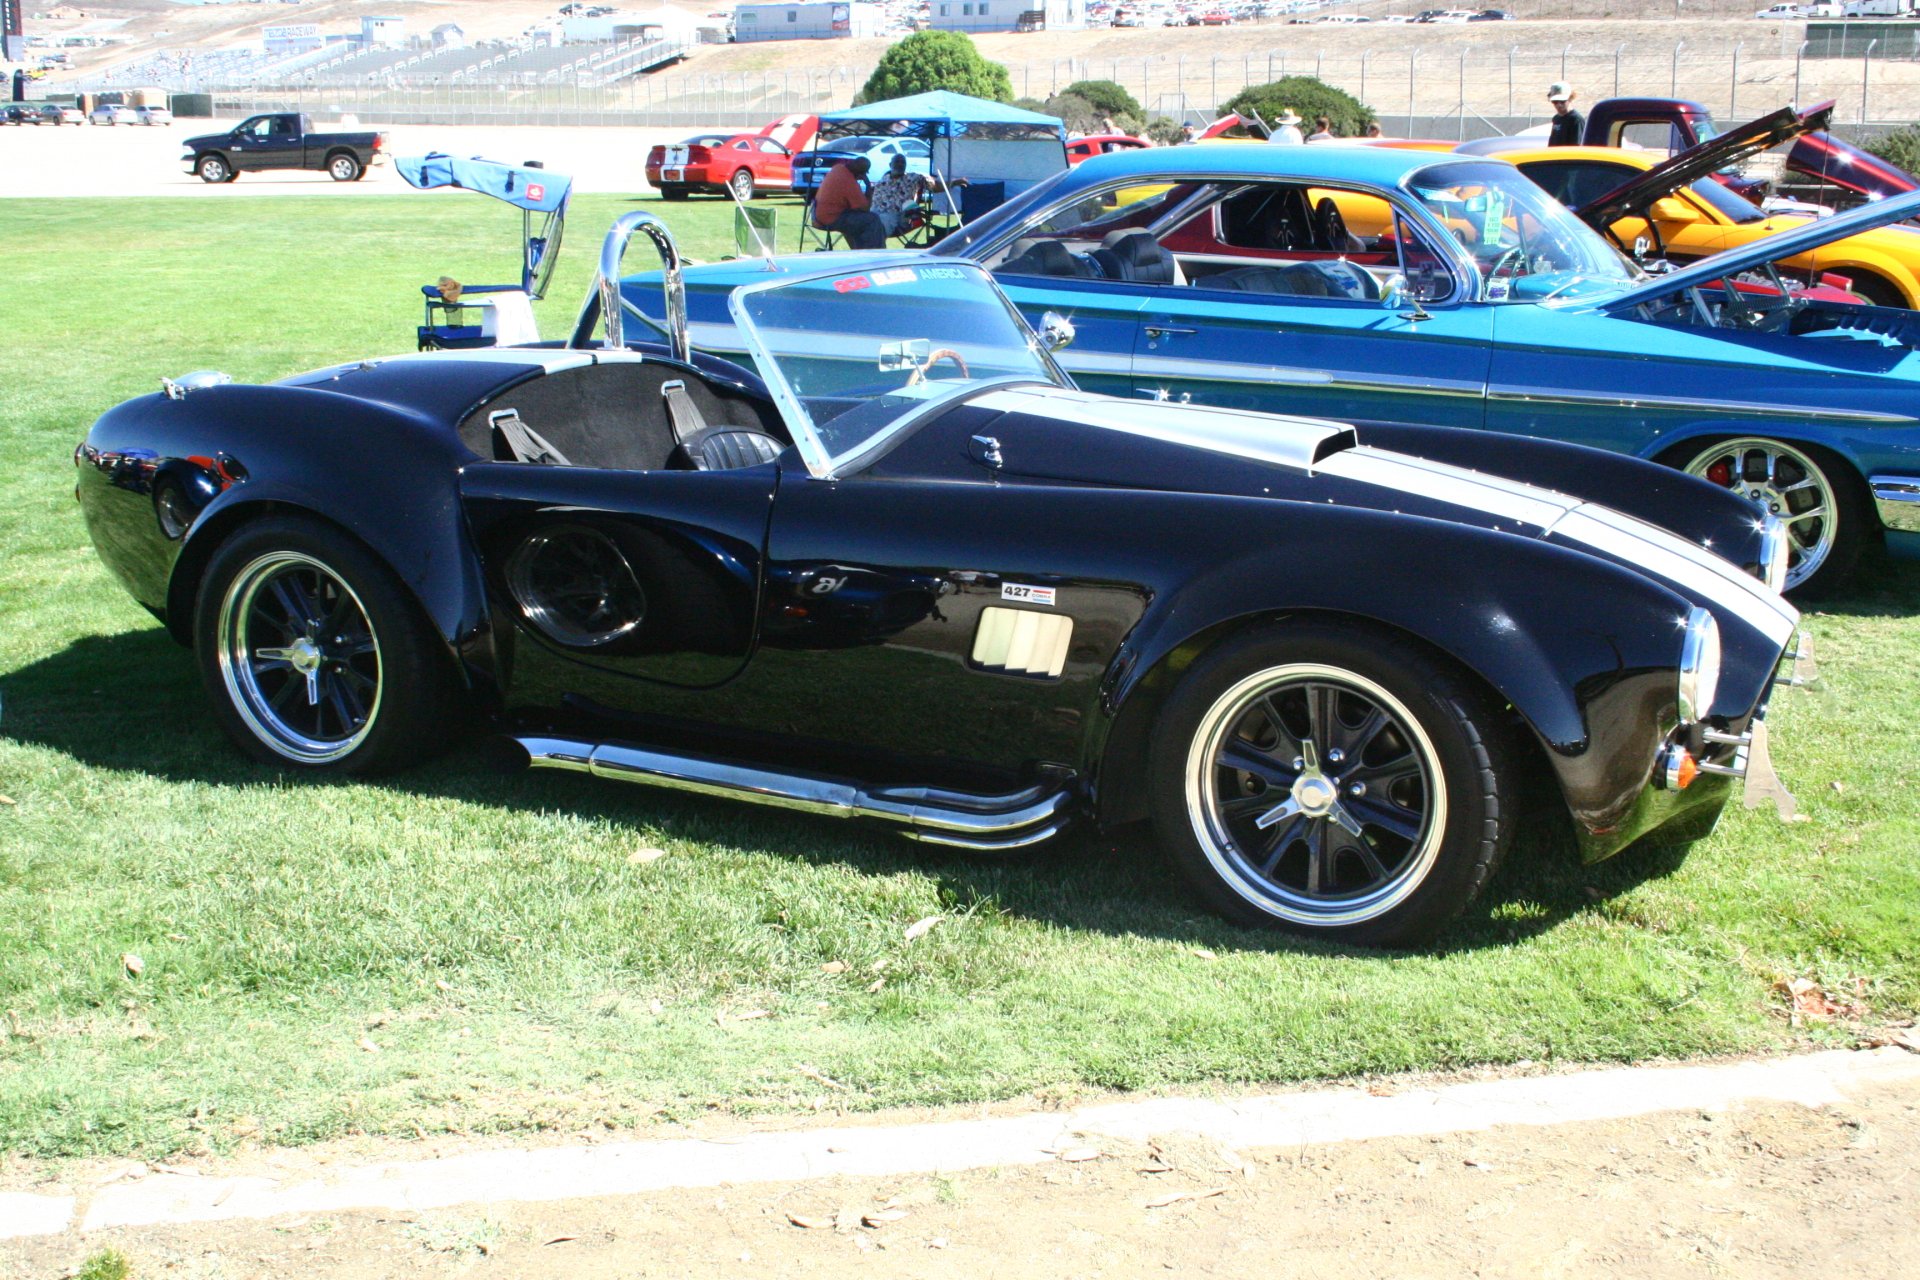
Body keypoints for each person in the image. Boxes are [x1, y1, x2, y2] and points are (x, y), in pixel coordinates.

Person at [869, 153, 966, 238]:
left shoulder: (914, 178)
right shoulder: (882, 180)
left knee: (880, 223)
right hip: (874, 212)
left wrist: (955, 182)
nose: (900, 164)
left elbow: (936, 187)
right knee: (863, 221)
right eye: (897, 161)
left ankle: (875, 248)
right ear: (890, 164)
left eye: (903, 162)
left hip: (897, 215)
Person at [812, 156, 885, 250]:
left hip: (818, 214)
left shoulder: (837, 168)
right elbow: (865, 208)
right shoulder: (849, 181)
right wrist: (868, 187)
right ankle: (876, 252)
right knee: (873, 219)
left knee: (856, 221)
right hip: (830, 219)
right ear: (861, 174)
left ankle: (858, 249)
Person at [1547, 82, 1584, 147]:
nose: (1559, 105)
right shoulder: (1556, 119)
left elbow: (1577, 146)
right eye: (1555, 102)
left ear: (1570, 99)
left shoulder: (1576, 120)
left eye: (1562, 101)